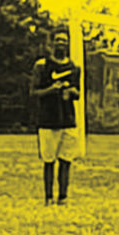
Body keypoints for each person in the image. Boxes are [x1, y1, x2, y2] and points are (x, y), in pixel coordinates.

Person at [30, 28, 83, 205]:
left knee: (66, 160)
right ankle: (48, 197)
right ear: (52, 43)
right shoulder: (42, 66)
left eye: (64, 40)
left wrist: (72, 92)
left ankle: (63, 196)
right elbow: (33, 92)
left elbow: (78, 93)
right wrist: (51, 90)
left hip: (68, 120)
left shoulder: (74, 68)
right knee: (49, 161)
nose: (61, 43)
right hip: (48, 120)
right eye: (58, 40)